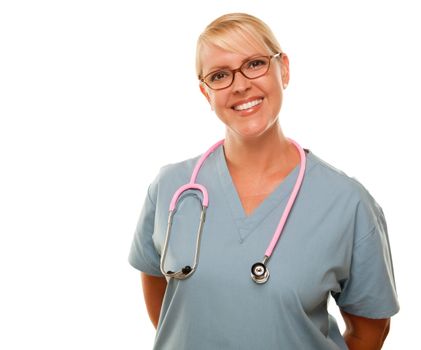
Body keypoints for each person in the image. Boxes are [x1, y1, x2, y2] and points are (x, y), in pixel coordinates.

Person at [128, 13, 399, 350]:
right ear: (205, 92)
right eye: (220, 75)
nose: (240, 85)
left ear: (283, 69)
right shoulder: (171, 188)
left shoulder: (348, 203)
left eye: (255, 64)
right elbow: (167, 310)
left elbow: (370, 331)